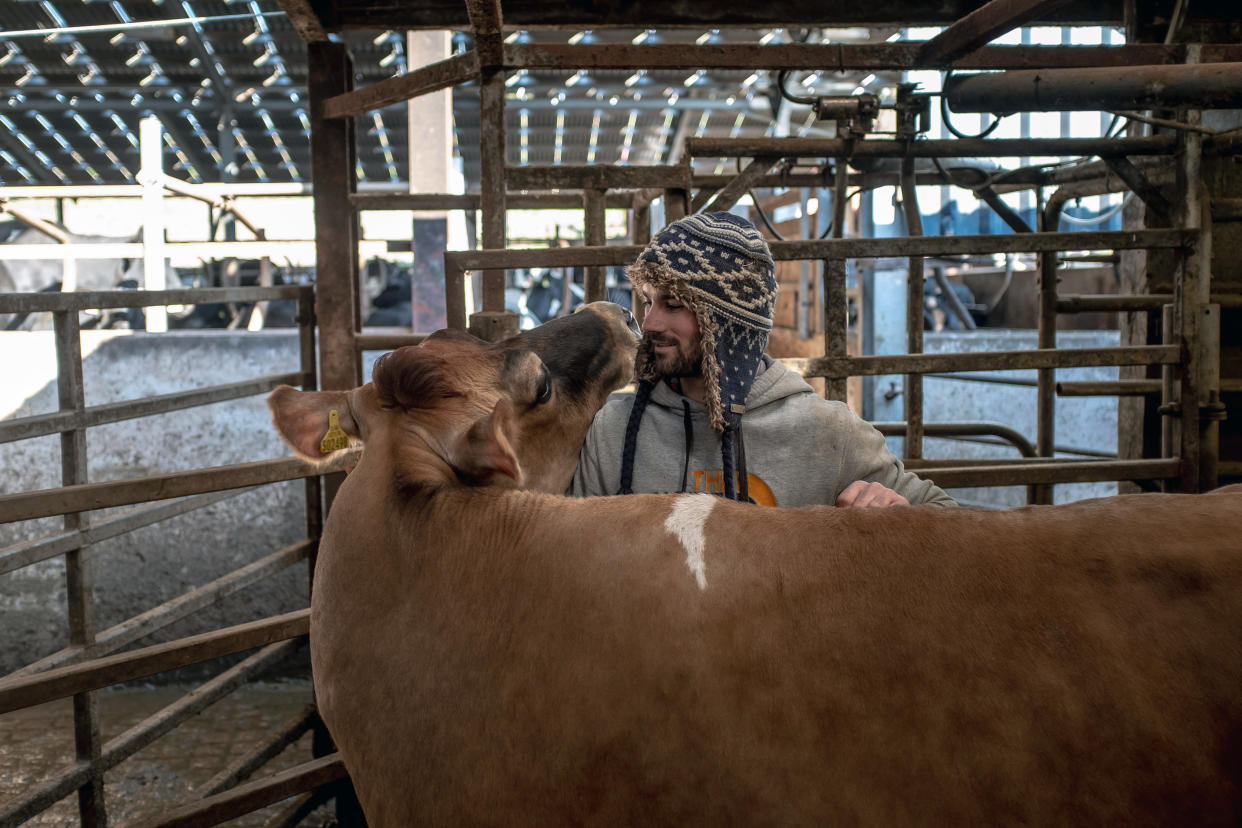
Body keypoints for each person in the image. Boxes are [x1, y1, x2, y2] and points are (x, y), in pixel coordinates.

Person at [570, 211, 955, 508]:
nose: (649, 322)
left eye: (672, 305)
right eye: (649, 301)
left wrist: (896, 509)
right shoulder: (613, 431)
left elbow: (945, 515)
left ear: (727, 320)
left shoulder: (827, 433)